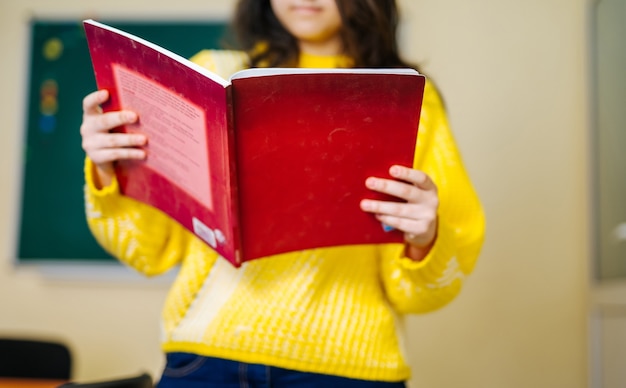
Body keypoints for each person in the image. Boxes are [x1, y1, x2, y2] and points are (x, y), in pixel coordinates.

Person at [80, 0, 485, 386]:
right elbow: (149, 250)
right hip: (206, 361)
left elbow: (421, 293)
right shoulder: (212, 75)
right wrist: (107, 166)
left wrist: (425, 238)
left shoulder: (410, 99)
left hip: (351, 370)